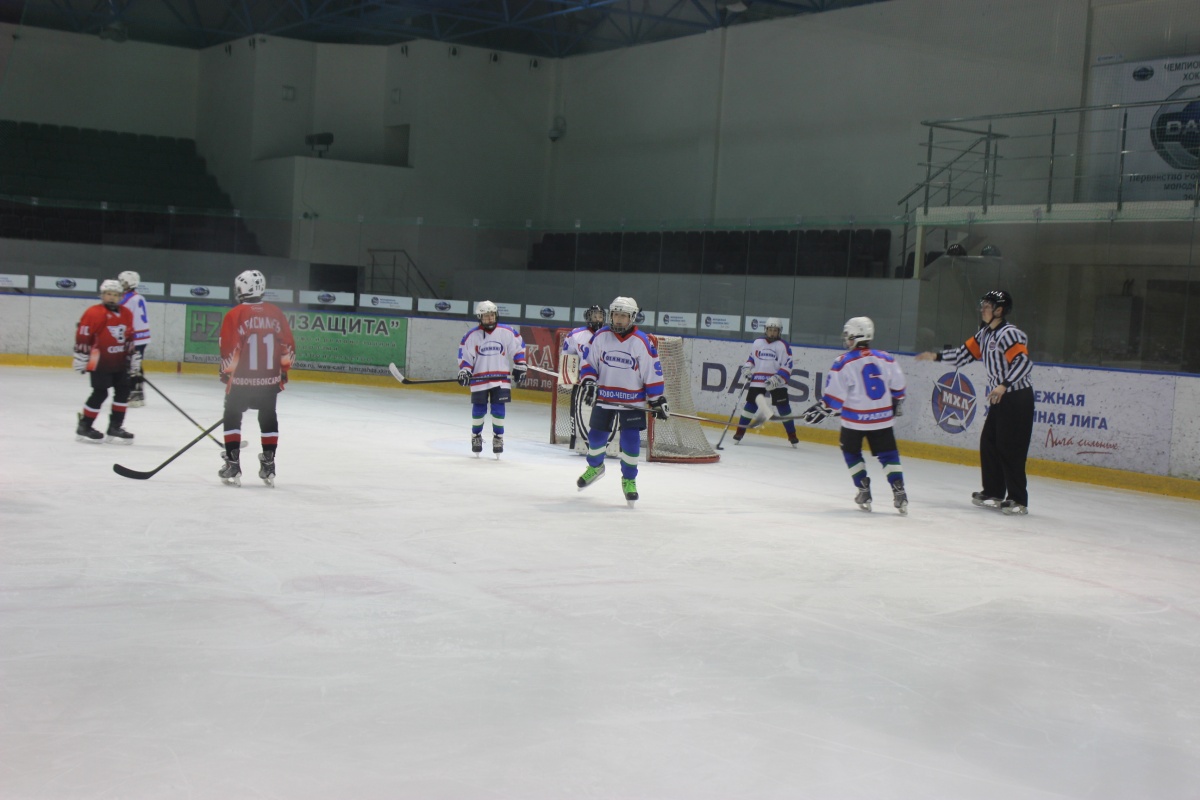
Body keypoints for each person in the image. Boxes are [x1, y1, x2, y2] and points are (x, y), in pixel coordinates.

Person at [915, 289, 1034, 515]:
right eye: (983, 305)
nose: (983, 309)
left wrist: (1004, 384)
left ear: (1000, 310)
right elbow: (963, 355)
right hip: (1000, 397)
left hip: (1016, 397)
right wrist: (936, 356)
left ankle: (1018, 499)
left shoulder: (1009, 334)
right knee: (990, 443)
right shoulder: (985, 334)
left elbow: (1023, 362)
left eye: (988, 306)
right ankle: (994, 491)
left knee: (1011, 448)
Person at [803, 316, 909, 514]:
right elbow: (899, 388)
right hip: (882, 419)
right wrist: (895, 402)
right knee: (888, 454)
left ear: (855, 336)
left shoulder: (843, 362)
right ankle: (899, 490)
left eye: (848, 336)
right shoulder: (886, 358)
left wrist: (822, 409)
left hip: (854, 421)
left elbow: (834, 397)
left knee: (851, 452)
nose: (846, 340)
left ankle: (863, 489)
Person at [575, 296, 668, 505]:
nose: (618, 319)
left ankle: (629, 479)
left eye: (623, 316)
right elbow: (588, 363)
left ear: (632, 317)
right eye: (616, 315)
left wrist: (656, 399)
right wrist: (589, 381)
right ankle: (595, 467)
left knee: (631, 441)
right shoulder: (601, 336)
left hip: (632, 400)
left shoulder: (642, 341)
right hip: (605, 396)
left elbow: (652, 372)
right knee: (596, 437)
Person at [217, 269, 296, 487]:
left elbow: (230, 350)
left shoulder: (235, 314)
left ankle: (232, 462)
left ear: (241, 289)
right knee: (268, 416)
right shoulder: (275, 313)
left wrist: (226, 374)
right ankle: (269, 463)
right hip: (268, 380)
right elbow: (288, 346)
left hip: (242, 380)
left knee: (232, 414)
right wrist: (282, 371)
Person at [457, 300, 527, 457]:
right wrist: (465, 371)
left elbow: (518, 348)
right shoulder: (471, 336)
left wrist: (520, 364)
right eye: (486, 316)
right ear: (479, 317)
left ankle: (498, 438)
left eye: (492, 315)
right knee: (479, 410)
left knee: (498, 410)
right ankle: (476, 436)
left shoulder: (507, 332)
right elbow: (465, 357)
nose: (490, 319)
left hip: (500, 379)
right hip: (479, 379)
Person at [73, 279, 136, 443]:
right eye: (108, 294)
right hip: (100, 361)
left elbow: (129, 337)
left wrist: (133, 358)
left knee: (123, 392)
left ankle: (115, 427)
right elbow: (83, 335)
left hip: (120, 362)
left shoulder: (127, 313)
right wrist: (81, 356)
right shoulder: (94, 312)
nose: (112, 297)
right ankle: (85, 425)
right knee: (100, 393)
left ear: (120, 297)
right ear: (102, 295)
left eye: (115, 295)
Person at [731, 317, 799, 446]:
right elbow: (751, 359)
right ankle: (739, 432)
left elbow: (788, 366)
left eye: (775, 330)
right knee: (750, 406)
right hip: (758, 380)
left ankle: (792, 436)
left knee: (783, 408)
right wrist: (747, 368)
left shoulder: (783, 345)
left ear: (779, 331)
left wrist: (777, 378)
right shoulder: (757, 343)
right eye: (770, 330)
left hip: (777, 382)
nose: (772, 333)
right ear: (765, 330)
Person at [561, 304, 606, 449]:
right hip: (583, 383)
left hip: (605, 383)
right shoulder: (576, 335)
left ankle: (611, 443)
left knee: (606, 415)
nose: (597, 319)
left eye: (600, 316)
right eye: (594, 316)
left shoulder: (609, 335)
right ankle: (580, 441)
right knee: (581, 413)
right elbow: (568, 356)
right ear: (588, 317)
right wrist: (568, 376)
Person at [117, 270, 151, 407]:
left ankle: (134, 394)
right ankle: (138, 393)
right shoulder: (138, 297)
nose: (121, 284)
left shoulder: (127, 299)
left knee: (131, 366)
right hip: (142, 336)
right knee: (136, 365)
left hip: (135, 337)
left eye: (123, 282)